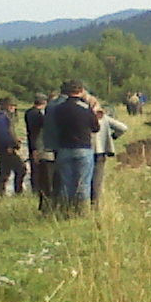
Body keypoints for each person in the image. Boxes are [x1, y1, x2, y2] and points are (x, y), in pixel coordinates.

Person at [42, 79, 97, 215]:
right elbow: (96, 127)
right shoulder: (85, 107)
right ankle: (82, 213)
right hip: (83, 148)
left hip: (64, 149)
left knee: (66, 183)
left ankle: (66, 210)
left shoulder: (58, 108)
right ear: (80, 90)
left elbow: (52, 127)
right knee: (83, 183)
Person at [89, 97, 128, 204]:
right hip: (100, 152)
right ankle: (95, 204)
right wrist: (113, 136)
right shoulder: (104, 118)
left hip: (86, 150)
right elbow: (123, 128)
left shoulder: (82, 117)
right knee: (97, 181)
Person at [0, 97, 27, 197]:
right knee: (21, 168)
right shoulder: (1, 117)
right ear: (5, 106)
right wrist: (11, 145)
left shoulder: (2, 116)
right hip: (6, 148)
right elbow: (3, 134)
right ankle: (18, 191)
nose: (13, 108)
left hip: (3, 147)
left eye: (14, 106)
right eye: (11, 105)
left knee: (5, 171)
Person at [25, 90, 53, 213]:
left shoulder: (28, 113)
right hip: (39, 145)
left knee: (35, 170)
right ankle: (38, 191)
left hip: (32, 143)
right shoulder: (39, 115)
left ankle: (35, 189)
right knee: (41, 173)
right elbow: (39, 132)